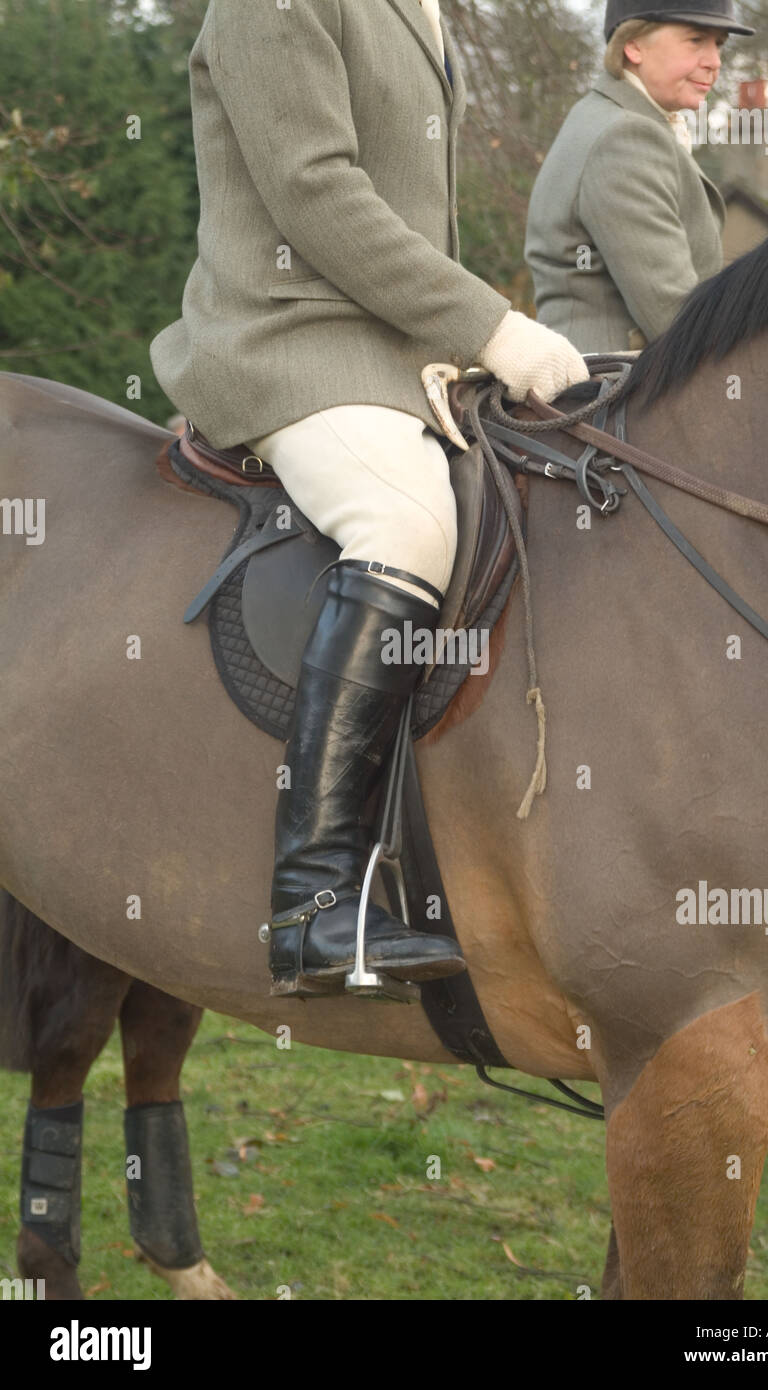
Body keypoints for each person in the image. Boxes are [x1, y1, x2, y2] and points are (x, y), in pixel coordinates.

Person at [149, 0, 589, 998]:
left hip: (396, 348)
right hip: (288, 333)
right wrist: (493, 326)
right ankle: (312, 903)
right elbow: (313, 192)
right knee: (408, 521)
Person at [525, 0, 755, 354]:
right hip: (609, 391)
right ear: (633, 46)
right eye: (696, 40)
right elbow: (675, 318)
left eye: (719, 43)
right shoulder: (624, 137)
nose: (714, 61)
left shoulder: (614, 117)